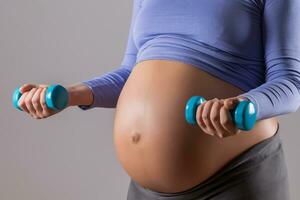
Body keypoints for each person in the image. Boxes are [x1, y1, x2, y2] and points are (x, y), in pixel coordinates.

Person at [17, 0, 300, 199]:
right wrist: (70, 94)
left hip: (234, 180)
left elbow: (289, 83)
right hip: (146, 190)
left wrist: (242, 106)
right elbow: (130, 72)